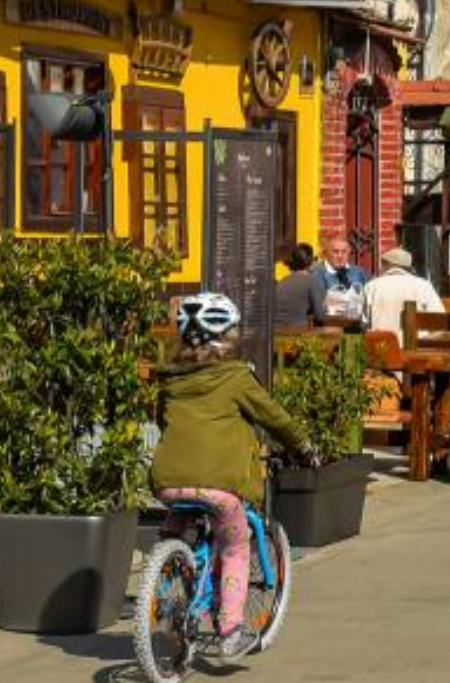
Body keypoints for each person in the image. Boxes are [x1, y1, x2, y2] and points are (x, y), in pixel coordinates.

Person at [151, 293, 313, 659]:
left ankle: (165, 588)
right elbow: (275, 418)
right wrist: (304, 447)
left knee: (176, 530)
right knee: (235, 548)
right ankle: (229, 632)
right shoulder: (237, 376)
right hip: (220, 486)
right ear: (226, 338)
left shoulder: (170, 380)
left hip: (168, 480)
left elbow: (163, 421)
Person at [361, 246, 443, 336]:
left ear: (385, 264)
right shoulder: (424, 286)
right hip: (418, 345)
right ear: (408, 267)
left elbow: (363, 321)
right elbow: (439, 319)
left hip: (381, 345)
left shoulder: (371, 286)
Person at [314, 235, 369, 322]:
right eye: (335, 252)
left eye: (344, 252)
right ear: (326, 253)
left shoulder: (359, 273)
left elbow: (368, 297)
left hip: (357, 326)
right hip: (329, 327)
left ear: (349, 252)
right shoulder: (316, 274)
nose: (340, 256)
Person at [274, 244, 327, 327]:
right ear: (311, 261)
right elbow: (320, 316)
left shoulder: (282, 281)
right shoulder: (311, 281)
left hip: (275, 332)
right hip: (296, 332)